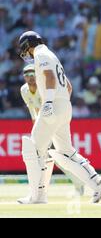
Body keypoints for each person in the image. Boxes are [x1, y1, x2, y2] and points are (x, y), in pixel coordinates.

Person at [17, 31, 101, 204]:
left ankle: (37, 196)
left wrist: (49, 102)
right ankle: (98, 183)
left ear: (28, 46)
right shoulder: (51, 55)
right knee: (65, 152)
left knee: (33, 149)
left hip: (53, 105)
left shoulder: (41, 54)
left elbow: (50, 77)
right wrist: (60, 103)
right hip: (64, 106)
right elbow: (68, 86)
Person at [20, 64, 85, 197]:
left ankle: (38, 192)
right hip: (43, 126)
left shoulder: (44, 88)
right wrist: (37, 130)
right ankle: (39, 190)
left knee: (57, 157)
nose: (30, 78)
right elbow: (33, 111)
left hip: (54, 122)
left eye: (32, 75)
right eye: (27, 75)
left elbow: (64, 93)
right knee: (48, 158)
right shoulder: (24, 90)